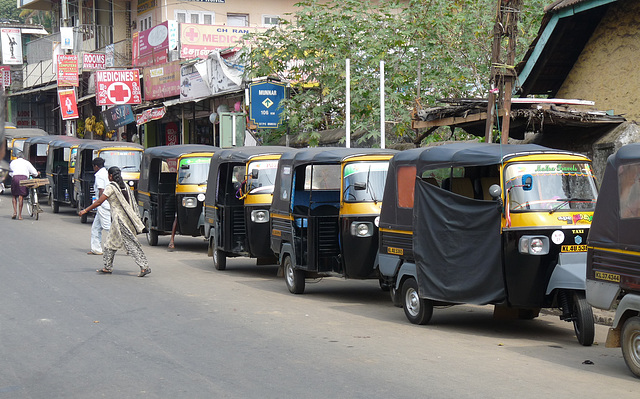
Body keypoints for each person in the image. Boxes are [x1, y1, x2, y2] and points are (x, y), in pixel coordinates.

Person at [79, 166, 151, 277]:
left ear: (111, 176)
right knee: (109, 244)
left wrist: (85, 210)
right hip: (128, 219)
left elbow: (99, 202)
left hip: (120, 221)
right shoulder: (125, 186)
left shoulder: (110, 187)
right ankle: (107, 267)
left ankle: (144, 266)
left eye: (108, 175)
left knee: (131, 244)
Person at [88, 157, 111, 255]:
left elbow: (101, 190)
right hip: (105, 204)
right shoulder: (106, 173)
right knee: (95, 228)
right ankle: (96, 249)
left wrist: (98, 203)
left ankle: (127, 245)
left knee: (108, 228)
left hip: (103, 205)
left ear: (96, 166)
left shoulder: (99, 175)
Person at [9, 153, 38, 220]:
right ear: (24, 158)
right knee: (20, 196)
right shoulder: (27, 162)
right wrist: (36, 174)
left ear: (17, 157)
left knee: (14, 195)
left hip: (15, 178)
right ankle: (20, 215)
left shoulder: (13, 162)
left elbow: (10, 172)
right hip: (23, 178)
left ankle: (15, 212)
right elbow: (34, 172)